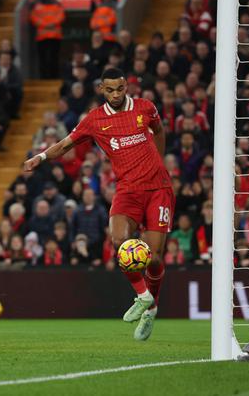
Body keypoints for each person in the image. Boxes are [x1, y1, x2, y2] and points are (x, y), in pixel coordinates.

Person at [23, 67, 173, 341]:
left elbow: (159, 131)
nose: (115, 94)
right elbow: (66, 144)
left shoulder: (145, 108)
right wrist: (41, 158)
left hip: (158, 190)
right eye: (110, 89)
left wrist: (158, 164)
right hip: (127, 190)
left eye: (120, 88)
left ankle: (152, 308)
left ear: (126, 86)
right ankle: (143, 296)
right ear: (102, 90)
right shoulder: (94, 120)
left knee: (154, 258)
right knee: (119, 241)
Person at [29, 0, 65, 79]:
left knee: (54, 59)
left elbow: (61, 16)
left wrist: (50, 23)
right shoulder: (35, 4)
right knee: (43, 59)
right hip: (42, 37)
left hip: (55, 36)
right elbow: (33, 17)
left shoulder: (56, 3)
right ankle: (44, 79)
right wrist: (47, 24)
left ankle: (54, 78)